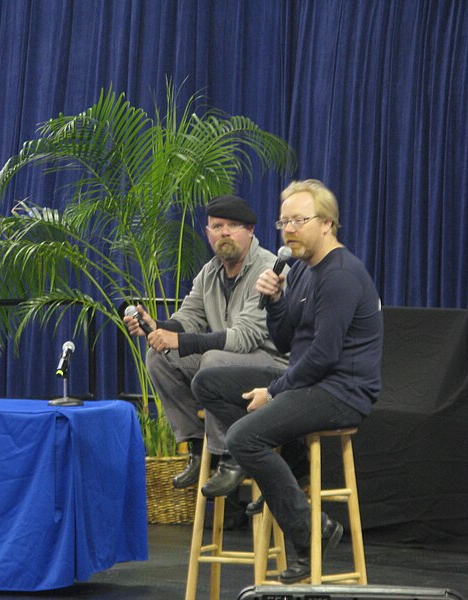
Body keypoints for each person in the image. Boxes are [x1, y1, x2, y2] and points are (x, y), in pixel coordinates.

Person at [192, 179, 383, 583]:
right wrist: (275, 301)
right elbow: (284, 341)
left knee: (244, 437)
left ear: (327, 223)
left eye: (299, 220)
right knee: (208, 382)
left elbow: (325, 356)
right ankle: (285, 464)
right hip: (309, 380)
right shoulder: (301, 272)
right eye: (284, 222)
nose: (289, 229)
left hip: (340, 390)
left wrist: (274, 392)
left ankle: (310, 532)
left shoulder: (341, 275)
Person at [124, 194, 289, 493]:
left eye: (233, 225)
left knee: (212, 361)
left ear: (250, 231)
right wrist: (156, 326)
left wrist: (182, 340)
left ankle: (230, 455)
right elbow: (187, 319)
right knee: (158, 357)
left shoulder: (270, 268)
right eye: (217, 225)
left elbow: (247, 336)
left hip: (272, 367)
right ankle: (199, 451)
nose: (225, 232)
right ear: (208, 233)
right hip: (226, 363)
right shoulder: (209, 272)